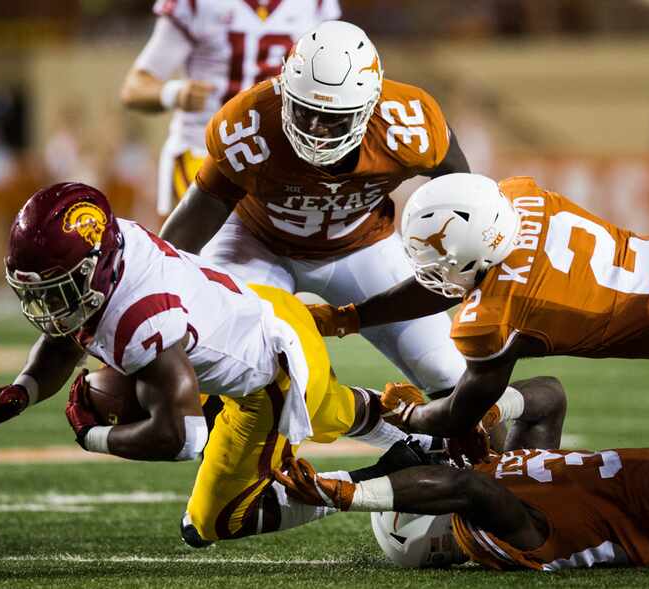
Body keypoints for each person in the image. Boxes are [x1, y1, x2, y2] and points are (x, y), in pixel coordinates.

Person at [0, 182, 549, 544]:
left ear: (98, 265)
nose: (49, 305)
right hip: (269, 314)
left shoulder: (143, 315)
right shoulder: (118, 248)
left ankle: (379, 479)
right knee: (332, 407)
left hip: (270, 367)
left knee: (215, 522)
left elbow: (183, 435)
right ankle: (422, 434)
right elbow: (71, 330)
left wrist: (94, 436)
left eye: (61, 287)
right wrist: (24, 389)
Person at [309, 172, 649, 444]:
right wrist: (353, 317)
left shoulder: (496, 316)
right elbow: (459, 276)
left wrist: (402, 413)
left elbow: (459, 415)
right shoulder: (520, 199)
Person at [160, 20, 471, 400]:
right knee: (241, 366)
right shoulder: (252, 122)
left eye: (332, 117)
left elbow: (463, 193)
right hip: (256, 242)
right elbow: (195, 219)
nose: (316, 128)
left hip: (362, 243)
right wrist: (150, 294)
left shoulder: (409, 125)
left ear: (369, 106)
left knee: (448, 370)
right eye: (305, 110)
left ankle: (486, 460)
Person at [275, 380, 649, 570]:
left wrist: (483, 416)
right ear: (427, 524)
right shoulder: (501, 536)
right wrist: (346, 495)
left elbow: (549, 397)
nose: (431, 462)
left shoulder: (496, 480)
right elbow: (464, 488)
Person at [120, 0, 340, 216]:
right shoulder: (197, 4)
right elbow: (134, 89)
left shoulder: (315, 4)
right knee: (219, 242)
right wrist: (175, 93)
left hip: (284, 158)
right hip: (204, 152)